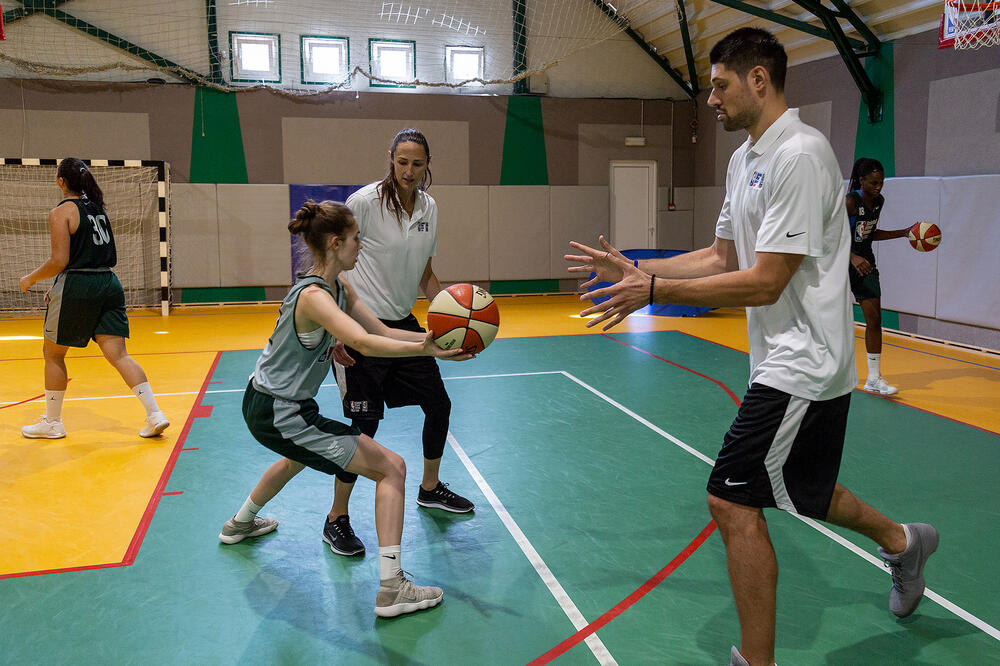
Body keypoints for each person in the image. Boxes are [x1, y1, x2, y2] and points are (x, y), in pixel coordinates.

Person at [565, 28, 938, 666]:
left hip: (805, 361)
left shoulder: (801, 153)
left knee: (731, 496)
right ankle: (906, 543)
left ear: (758, 79)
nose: (711, 98)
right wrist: (640, 268)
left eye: (719, 85)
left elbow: (766, 282)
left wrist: (653, 290)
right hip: (780, 359)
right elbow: (721, 256)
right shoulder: (745, 159)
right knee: (808, 490)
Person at [218, 200, 470, 618]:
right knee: (392, 467)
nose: (361, 245)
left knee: (294, 459)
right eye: (356, 239)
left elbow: (383, 330)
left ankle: (239, 524)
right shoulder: (316, 297)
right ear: (336, 243)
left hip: (272, 403)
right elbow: (367, 344)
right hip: (280, 409)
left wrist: (430, 341)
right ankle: (392, 588)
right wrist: (428, 350)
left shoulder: (337, 288)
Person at [321, 128, 474, 558]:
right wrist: (338, 327)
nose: (409, 171)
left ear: (428, 165)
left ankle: (429, 487)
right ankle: (336, 518)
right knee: (362, 429)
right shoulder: (363, 203)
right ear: (390, 158)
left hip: (403, 324)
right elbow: (336, 266)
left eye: (418, 164)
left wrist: (452, 318)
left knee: (439, 403)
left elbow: (425, 273)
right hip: (361, 327)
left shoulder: (430, 207)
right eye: (402, 162)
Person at [18, 157, 169, 440]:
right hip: (108, 282)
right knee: (119, 355)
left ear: (61, 181)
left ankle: (52, 422)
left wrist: (31, 278)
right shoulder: (96, 208)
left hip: (80, 285)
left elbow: (59, 260)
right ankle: (155, 414)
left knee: (53, 354)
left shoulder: (62, 212)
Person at [846, 157, 911, 396]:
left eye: (881, 182)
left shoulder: (878, 202)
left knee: (874, 320)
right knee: (828, 322)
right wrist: (851, 256)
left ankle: (874, 378)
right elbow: (827, 235)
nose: (878, 186)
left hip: (865, 264)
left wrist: (903, 233)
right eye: (873, 182)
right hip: (839, 264)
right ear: (861, 180)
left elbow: (869, 234)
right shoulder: (850, 202)